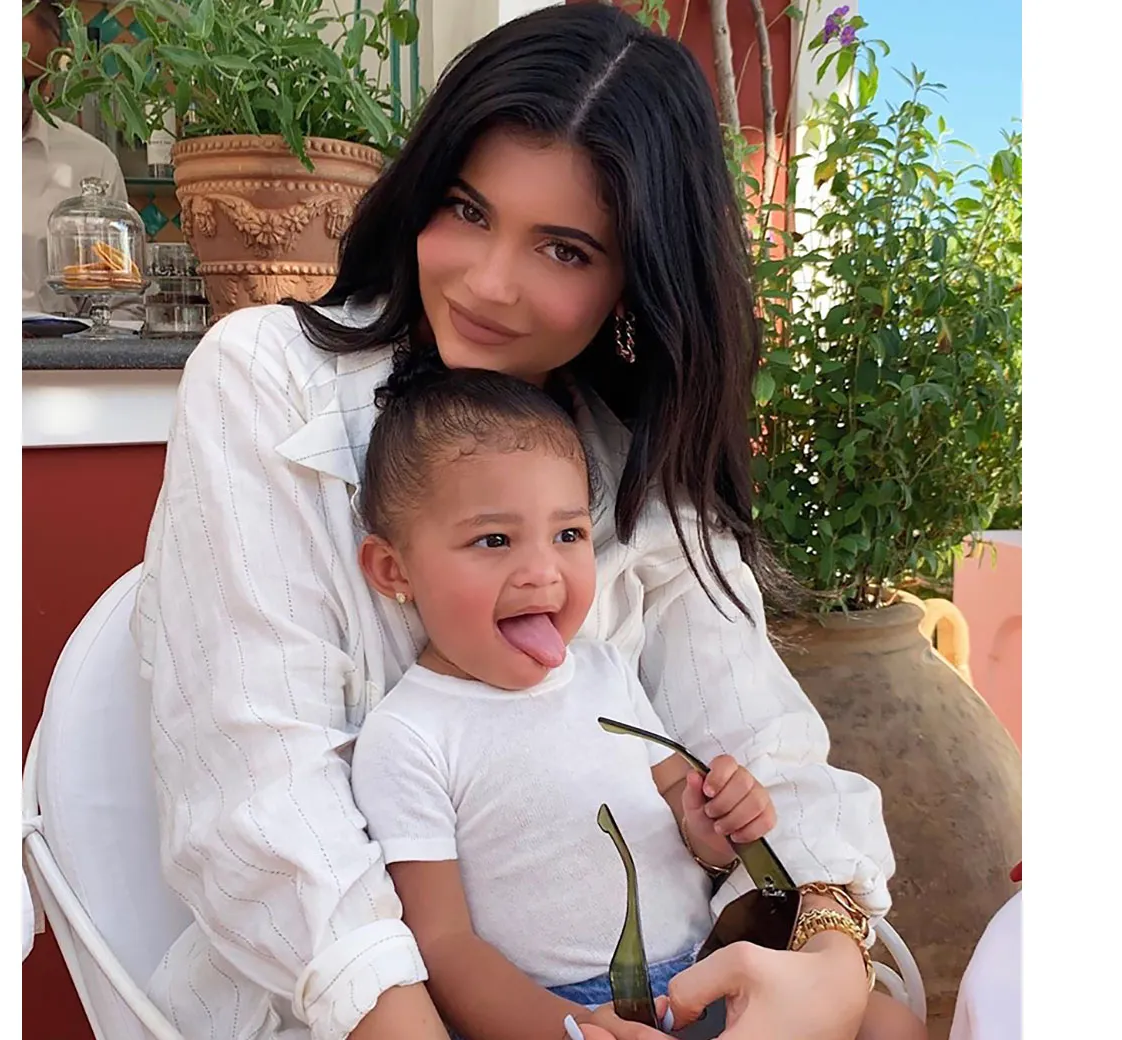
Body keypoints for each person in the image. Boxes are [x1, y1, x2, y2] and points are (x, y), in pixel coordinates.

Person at [133, 5, 899, 1039]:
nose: (489, 282)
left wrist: (832, 959)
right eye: (467, 207)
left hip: (647, 983)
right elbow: (262, 796)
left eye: (566, 250)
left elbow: (761, 743)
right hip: (357, 1007)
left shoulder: (635, 460)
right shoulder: (268, 381)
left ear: (636, 280)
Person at [348, 368, 922, 1040]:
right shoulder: (410, 734)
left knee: (890, 1025)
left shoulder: (606, 672)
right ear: (393, 569)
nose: (543, 571)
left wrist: (713, 829)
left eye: (567, 535)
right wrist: (570, 1028)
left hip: (701, 970)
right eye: (494, 540)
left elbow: (677, 801)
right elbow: (444, 943)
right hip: (565, 1008)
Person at [22, 0, 128, 315]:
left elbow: (121, 304)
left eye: (28, 83)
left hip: (55, 346)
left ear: (52, 75)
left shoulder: (92, 163)